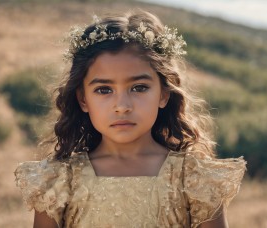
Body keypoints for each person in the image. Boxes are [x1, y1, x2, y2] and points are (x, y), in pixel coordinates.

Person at [14, 10, 246, 228]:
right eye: (104, 90)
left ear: (164, 94)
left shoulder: (194, 179)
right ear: (83, 99)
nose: (122, 106)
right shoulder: (60, 181)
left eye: (139, 87)